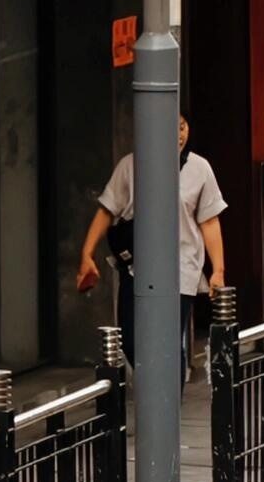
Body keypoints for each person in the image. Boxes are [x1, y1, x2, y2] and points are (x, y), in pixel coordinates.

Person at [76, 114, 225, 383]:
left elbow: (210, 221)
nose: (178, 134)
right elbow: (107, 210)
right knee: (132, 341)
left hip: (182, 266)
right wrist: (86, 254)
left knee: (168, 343)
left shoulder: (200, 169)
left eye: (182, 127)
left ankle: (168, 416)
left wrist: (218, 270)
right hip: (138, 268)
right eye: (170, 126)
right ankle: (156, 399)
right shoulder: (130, 166)